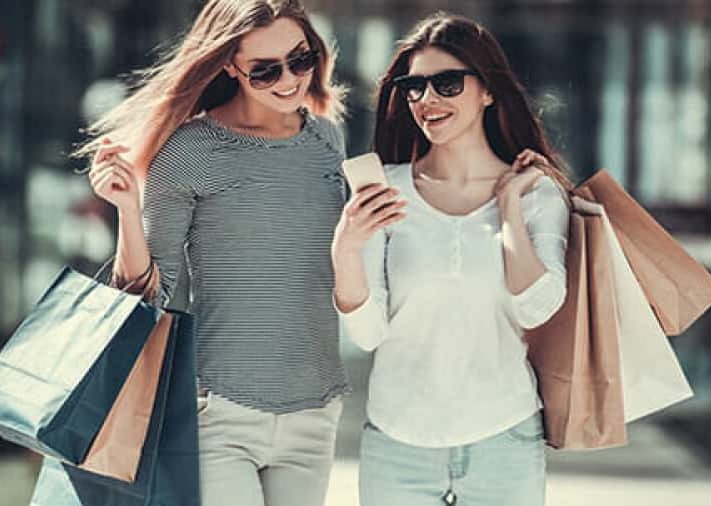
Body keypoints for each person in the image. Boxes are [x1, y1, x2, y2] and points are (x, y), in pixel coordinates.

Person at [83, 2, 349, 505]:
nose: (289, 79)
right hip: (219, 412)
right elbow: (150, 292)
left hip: (315, 409)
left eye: (300, 59)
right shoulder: (189, 150)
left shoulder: (327, 141)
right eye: (266, 70)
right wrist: (125, 208)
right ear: (229, 64)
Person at [331, 12, 573, 506]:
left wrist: (507, 204)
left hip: (504, 439)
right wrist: (346, 252)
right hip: (397, 444)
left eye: (446, 83)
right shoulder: (386, 190)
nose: (427, 100)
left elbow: (537, 307)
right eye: (414, 87)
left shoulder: (536, 194)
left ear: (488, 91)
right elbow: (368, 333)